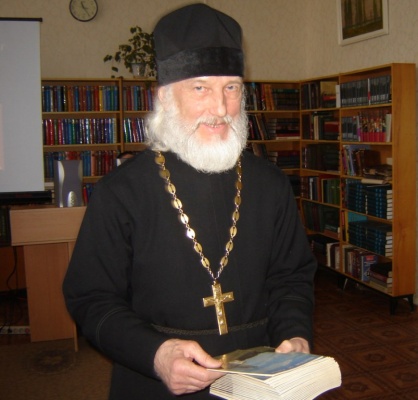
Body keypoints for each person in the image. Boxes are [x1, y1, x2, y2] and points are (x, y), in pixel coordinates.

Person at [63, 3, 317, 399]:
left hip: (258, 377)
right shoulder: (121, 192)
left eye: (231, 88)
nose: (220, 109)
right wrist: (155, 354)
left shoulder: (271, 184)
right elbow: (91, 297)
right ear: (165, 97)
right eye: (200, 88)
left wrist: (295, 333)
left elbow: (291, 277)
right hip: (156, 382)